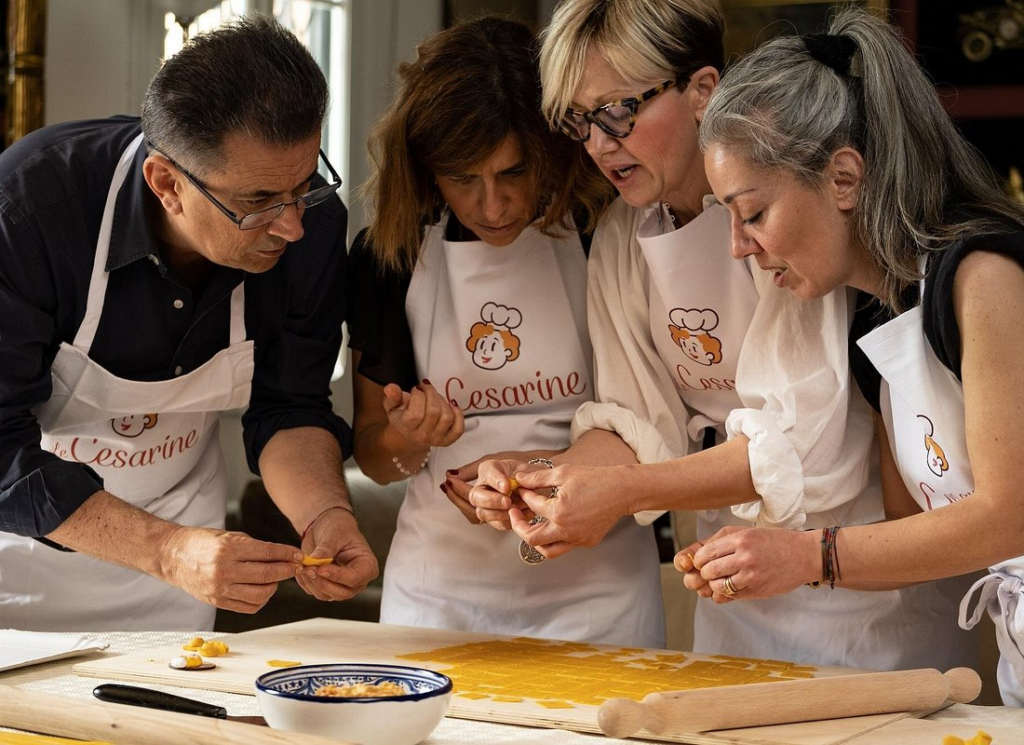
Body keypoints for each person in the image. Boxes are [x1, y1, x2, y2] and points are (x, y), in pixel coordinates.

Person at [456, 0, 976, 670]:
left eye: (617, 110)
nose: (598, 142)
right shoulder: (620, 236)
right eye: (578, 121)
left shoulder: (791, 217)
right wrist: (546, 481)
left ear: (702, 90)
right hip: (734, 585)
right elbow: (634, 423)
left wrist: (623, 491)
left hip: (865, 597)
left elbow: (800, 448)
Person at [680, 7, 1024, 701]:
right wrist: (769, 561)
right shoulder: (876, 320)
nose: (739, 247)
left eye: (752, 213)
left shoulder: (983, 275)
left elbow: (1009, 512)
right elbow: (916, 534)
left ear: (843, 177)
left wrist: (809, 554)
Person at [0, 16, 378, 632]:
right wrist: (167, 550)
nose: (293, 226)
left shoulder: (306, 223)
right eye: (258, 203)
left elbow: (290, 405)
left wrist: (325, 516)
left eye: (305, 185)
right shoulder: (28, 213)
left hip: (179, 584)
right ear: (167, 184)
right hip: (17, 573)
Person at [347, 17, 665, 647]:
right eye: (462, 178)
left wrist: (538, 473)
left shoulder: (607, 228)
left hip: (601, 592)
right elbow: (374, 457)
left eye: (513, 173)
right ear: (425, 167)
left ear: (552, 147)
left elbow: (658, 421)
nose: (490, 206)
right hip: (439, 596)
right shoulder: (392, 254)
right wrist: (408, 438)